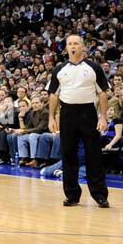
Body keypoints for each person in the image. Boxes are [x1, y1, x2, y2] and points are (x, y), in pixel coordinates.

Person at [47, 34, 110, 207]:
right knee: (68, 155)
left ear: (83, 46)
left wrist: (103, 116)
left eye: (76, 43)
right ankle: (72, 195)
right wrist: (52, 117)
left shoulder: (94, 67)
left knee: (94, 155)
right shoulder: (59, 69)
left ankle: (99, 195)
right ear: (66, 48)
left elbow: (103, 92)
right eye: (70, 44)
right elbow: (54, 94)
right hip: (67, 113)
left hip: (88, 112)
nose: (73, 46)